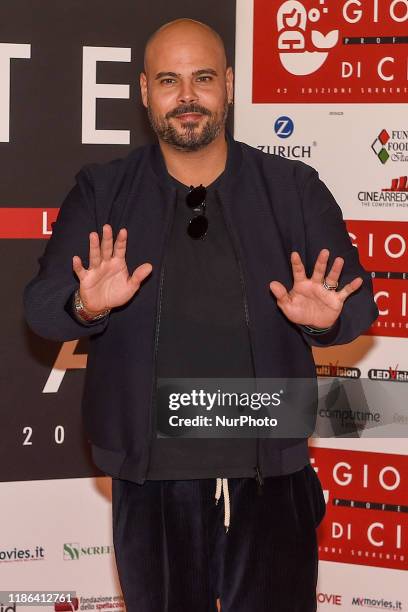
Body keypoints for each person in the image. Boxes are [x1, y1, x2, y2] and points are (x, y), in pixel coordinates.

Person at [23, 17, 378, 612]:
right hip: (151, 477)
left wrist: (320, 321)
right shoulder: (103, 191)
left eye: (203, 78)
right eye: (169, 80)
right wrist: (86, 304)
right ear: (144, 92)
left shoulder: (291, 186)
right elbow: (42, 308)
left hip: (272, 473)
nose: (187, 96)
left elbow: (357, 303)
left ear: (230, 86)